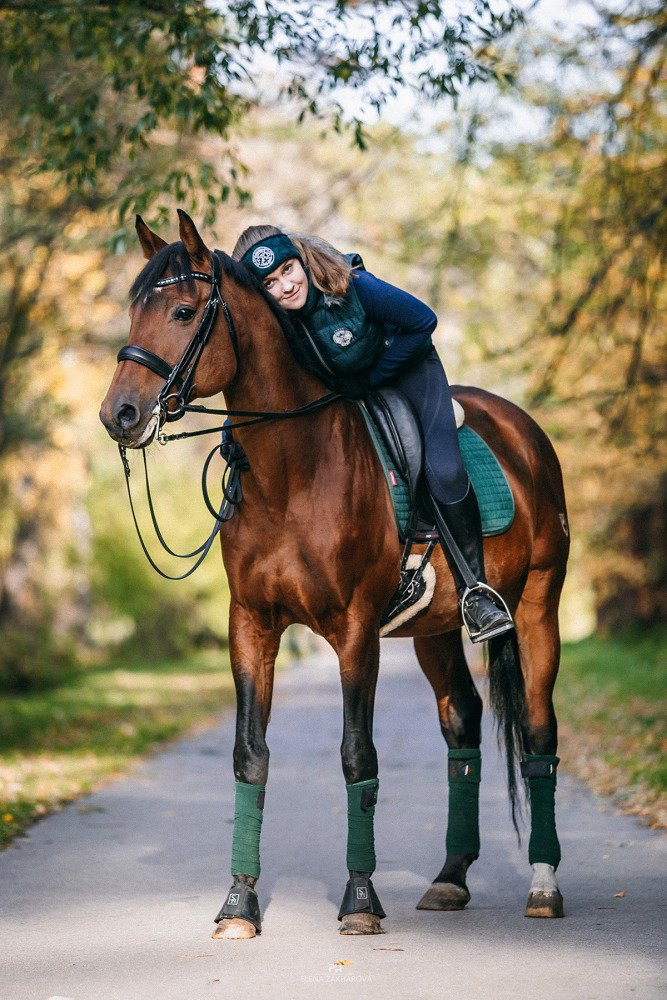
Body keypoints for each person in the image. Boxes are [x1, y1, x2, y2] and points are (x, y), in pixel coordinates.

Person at [231, 226, 512, 642]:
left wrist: (374, 376)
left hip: (410, 370)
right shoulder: (281, 323)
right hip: (351, 389)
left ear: (302, 259)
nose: (286, 286)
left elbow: (423, 321)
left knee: (445, 470)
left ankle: (476, 591)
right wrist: (232, 438)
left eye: (288, 269)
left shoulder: (356, 286)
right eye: (270, 284)